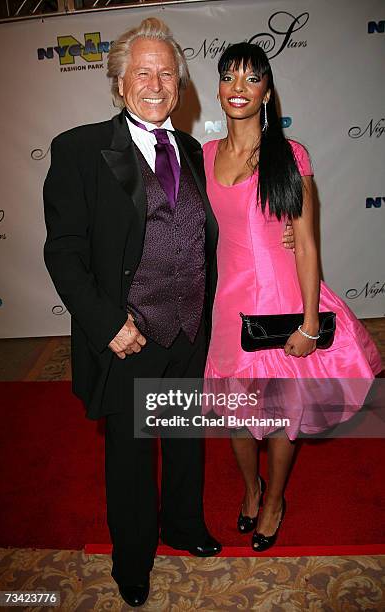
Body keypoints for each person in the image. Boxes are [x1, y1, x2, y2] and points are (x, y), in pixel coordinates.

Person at [44, 19, 294, 606]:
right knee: (131, 453)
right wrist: (109, 324)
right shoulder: (79, 148)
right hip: (129, 333)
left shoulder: (191, 149)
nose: (156, 84)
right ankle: (132, 560)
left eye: (167, 74)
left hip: (190, 327)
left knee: (183, 438)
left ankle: (182, 524)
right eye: (143, 73)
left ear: (180, 86)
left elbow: (234, 212)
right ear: (119, 83)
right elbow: (63, 251)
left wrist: (284, 232)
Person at [203, 42, 382, 552]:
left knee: (281, 416)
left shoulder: (290, 154)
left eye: (251, 78)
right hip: (228, 304)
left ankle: (275, 499)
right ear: (217, 90)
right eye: (229, 77)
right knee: (238, 414)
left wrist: (309, 322)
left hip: (281, 300)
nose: (239, 87)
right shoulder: (205, 156)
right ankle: (251, 488)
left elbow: (305, 242)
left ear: (267, 91)